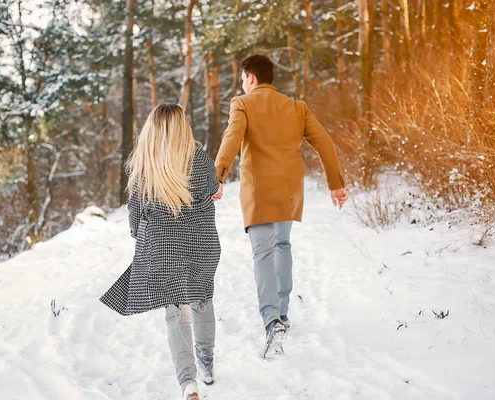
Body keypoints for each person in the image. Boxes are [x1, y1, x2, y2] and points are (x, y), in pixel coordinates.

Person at [213, 54, 348, 358]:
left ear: (251, 78)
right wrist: (336, 183)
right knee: (283, 245)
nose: (242, 83)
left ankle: (272, 320)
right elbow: (324, 142)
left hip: (259, 189)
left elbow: (232, 137)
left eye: (242, 78)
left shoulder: (243, 103)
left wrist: (217, 176)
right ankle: (283, 313)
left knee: (263, 252)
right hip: (289, 188)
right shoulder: (296, 107)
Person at [100, 104, 221, 400]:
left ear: (151, 131)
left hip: (163, 248)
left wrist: (142, 236)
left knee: (176, 312)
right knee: (202, 300)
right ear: (183, 128)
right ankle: (206, 364)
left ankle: (187, 383)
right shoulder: (201, 160)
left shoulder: (145, 168)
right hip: (202, 243)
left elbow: (134, 216)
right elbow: (214, 188)